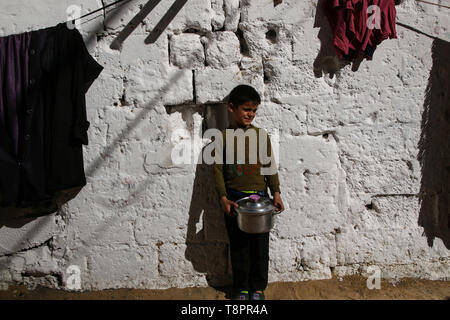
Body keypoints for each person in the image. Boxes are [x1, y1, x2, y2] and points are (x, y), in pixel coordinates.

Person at [213, 84, 284, 300]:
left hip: (261, 199)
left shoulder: (261, 136)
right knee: (239, 246)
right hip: (235, 200)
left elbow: (270, 166)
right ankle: (242, 288)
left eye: (253, 111)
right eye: (246, 109)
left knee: (260, 247)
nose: (250, 115)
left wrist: (277, 193)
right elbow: (217, 170)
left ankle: (258, 287)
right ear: (231, 108)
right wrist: (223, 198)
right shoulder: (222, 138)